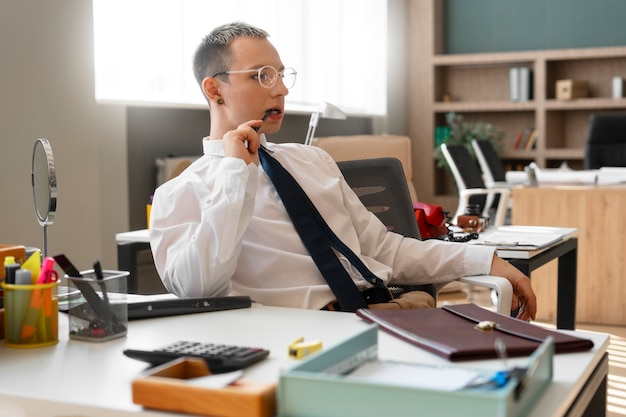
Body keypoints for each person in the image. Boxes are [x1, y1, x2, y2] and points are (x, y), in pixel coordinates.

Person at [149, 22, 537, 320]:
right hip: (305, 334)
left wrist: (485, 260)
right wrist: (235, 175)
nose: (281, 89)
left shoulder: (312, 161)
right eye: (261, 75)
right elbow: (198, 287)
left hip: (387, 313)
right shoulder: (179, 195)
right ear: (214, 90)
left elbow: (384, 249)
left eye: (282, 75)